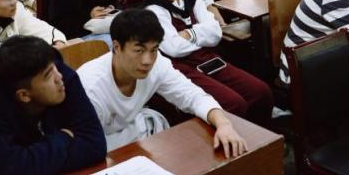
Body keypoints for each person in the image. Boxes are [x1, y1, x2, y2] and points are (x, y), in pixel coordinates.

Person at [77, 8, 247, 154]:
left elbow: (192, 95)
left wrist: (223, 124)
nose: (147, 60)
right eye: (139, 50)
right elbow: (86, 146)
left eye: (154, 50)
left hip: (133, 135)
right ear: (116, 47)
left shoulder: (157, 64)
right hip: (96, 148)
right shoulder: (91, 88)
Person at [145, 0, 273, 125]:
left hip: (207, 58)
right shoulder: (154, 8)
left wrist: (190, 34)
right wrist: (202, 34)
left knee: (261, 92)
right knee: (234, 103)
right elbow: (174, 48)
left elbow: (215, 32)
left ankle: (262, 136)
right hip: (182, 67)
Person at [0, 35, 106, 175]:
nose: (59, 76)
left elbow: (95, 146)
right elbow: (14, 170)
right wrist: (63, 138)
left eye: (55, 67)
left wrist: (35, 161)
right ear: (24, 95)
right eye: (48, 75)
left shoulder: (60, 76)